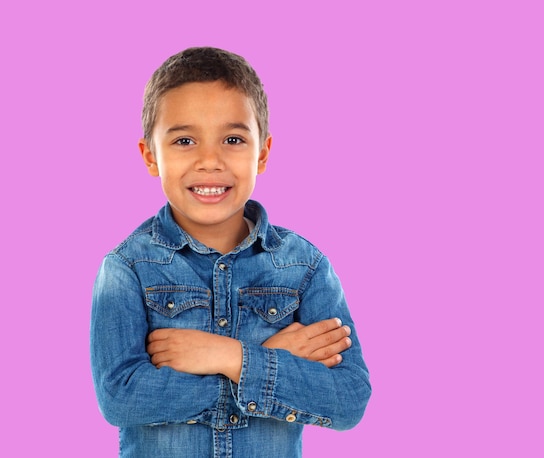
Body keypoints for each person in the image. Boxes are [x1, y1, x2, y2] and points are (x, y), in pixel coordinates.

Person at [90, 47, 371, 457]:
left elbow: (348, 399)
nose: (210, 160)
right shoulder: (126, 269)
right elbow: (122, 397)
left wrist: (228, 356)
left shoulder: (304, 267)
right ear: (151, 155)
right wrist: (267, 363)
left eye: (233, 139)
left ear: (263, 153)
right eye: (185, 140)